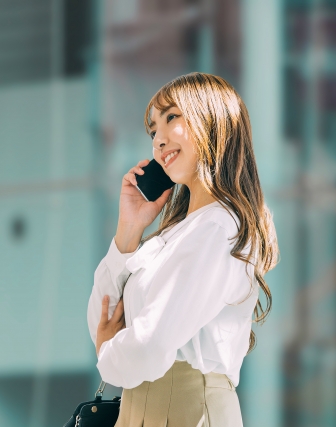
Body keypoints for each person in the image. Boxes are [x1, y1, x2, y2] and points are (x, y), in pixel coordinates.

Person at [86, 72, 279, 427]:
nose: (158, 140)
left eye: (171, 117)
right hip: (141, 411)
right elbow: (105, 318)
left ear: (212, 120)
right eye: (152, 130)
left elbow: (146, 345)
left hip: (188, 411)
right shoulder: (174, 235)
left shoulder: (218, 226)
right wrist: (129, 229)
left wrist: (107, 353)